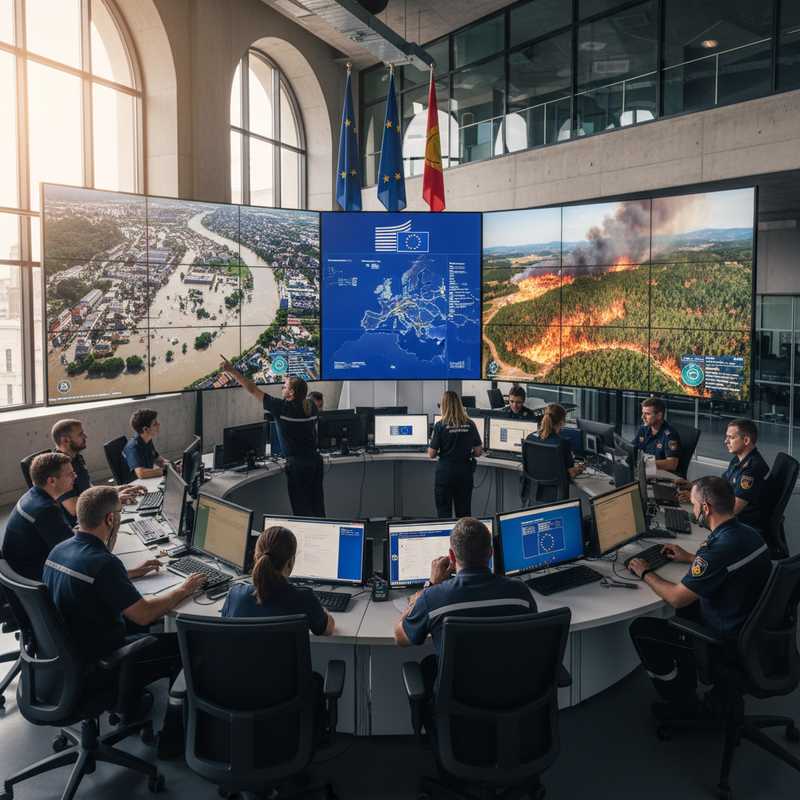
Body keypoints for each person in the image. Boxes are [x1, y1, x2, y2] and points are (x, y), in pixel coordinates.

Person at [43, 487, 206, 731]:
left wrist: (131, 573)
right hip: (101, 662)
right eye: (118, 513)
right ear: (110, 519)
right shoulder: (103, 562)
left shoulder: (60, 549)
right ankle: (171, 732)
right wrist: (186, 588)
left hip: (66, 655)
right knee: (183, 646)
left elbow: (90, 582)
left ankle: (131, 700)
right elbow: (145, 615)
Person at [627, 476, 771, 718]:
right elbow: (727, 564)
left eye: (693, 505)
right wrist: (689, 557)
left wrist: (645, 572)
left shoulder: (715, 551)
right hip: (752, 627)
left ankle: (683, 704)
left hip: (727, 638)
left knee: (643, 628)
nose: (693, 510)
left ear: (706, 508)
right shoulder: (750, 534)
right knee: (684, 614)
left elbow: (676, 597)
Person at [394, 517, 536, 702]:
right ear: (491, 553)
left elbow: (400, 637)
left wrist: (430, 585)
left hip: (458, 704)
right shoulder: (520, 593)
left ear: (452, 557)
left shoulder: (433, 598)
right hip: (513, 697)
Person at [219, 357, 324, 517]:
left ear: (291, 392)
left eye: (285, 387)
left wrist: (232, 370)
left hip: (298, 466)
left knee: (302, 510)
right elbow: (305, 396)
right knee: (317, 506)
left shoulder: (282, 408)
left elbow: (252, 389)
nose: (282, 388)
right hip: (316, 462)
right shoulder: (311, 407)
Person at [222, 525, 334, 633]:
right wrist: (321, 610)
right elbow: (327, 630)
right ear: (290, 562)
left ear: (256, 557)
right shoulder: (304, 598)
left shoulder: (235, 594)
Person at [51, 418, 144, 522]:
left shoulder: (77, 458)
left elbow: (89, 489)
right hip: (81, 523)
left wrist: (117, 489)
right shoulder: (57, 468)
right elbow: (74, 508)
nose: (85, 436)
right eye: (80, 434)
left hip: (92, 513)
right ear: (65, 440)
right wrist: (111, 500)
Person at [2, 453, 76, 580]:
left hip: (23, 570)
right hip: (37, 577)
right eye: (70, 474)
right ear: (51, 481)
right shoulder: (45, 509)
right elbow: (75, 553)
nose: (75, 476)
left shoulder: (33, 495)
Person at [428, 391, 482, 518]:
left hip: (445, 473)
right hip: (464, 472)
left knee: (444, 513)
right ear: (459, 404)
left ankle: (446, 537)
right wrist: (467, 453)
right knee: (464, 513)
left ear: (444, 405)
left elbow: (431, 454)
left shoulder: (440, 425)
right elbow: (478, 451)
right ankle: (464, 538)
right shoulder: (470, 423)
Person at [720, 419, 770, 532]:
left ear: (746, 440)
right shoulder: (738, 459)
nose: (725, 441)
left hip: (742, 524)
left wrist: (705, 507)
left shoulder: (752, 469)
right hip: (733, 517)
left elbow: (734, 510)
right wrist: (696, 487)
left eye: (731, 437)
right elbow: (721, 484)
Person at [532, 403, 584, 479]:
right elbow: (570, 473)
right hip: (554, 489)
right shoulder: (562, 443)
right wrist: (578, 469)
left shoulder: (530, 438)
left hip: (533, 488)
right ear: (562, 422)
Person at [631, 397, 681, 473]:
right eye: (643, 413)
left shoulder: (670, 435)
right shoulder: (643, 429)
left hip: (663, 475)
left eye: (647, 414)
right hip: (647, 471)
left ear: (659, 416)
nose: (642, 417)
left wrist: (645, 464)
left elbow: (672, 464)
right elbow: (632, 448)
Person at [123, 409, 167, 480]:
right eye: (155, 424)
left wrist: (171, 466)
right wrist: (165, 471)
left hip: (147, 480)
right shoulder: (133, 447)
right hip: (135, 484)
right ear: (145, 429)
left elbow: (158, 459)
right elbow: (141, 473)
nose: (159, 424)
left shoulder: (147, 440)